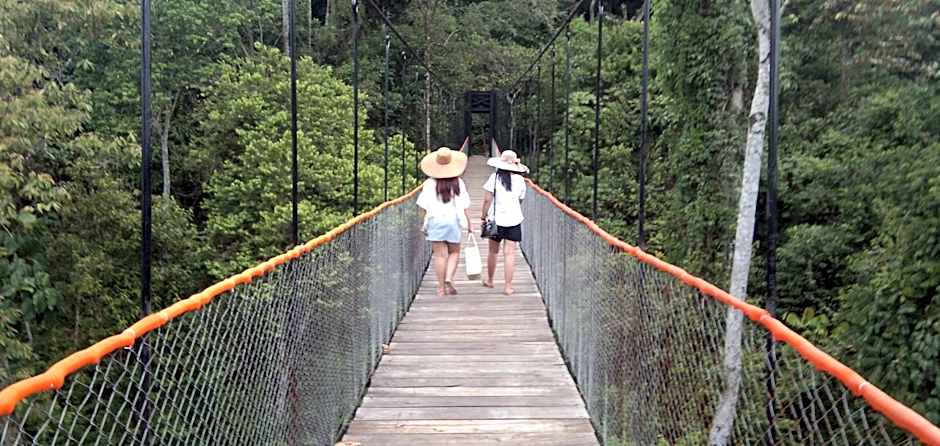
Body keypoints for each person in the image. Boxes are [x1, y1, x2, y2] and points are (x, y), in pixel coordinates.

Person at [416, 147, 473, 296]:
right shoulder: (458, 183)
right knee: (454, 252)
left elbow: (422, 206)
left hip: (435, 221)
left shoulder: (429, 183)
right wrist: (470, 224)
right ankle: (449, 278)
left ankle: (440, 288)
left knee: (440, 255)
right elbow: (465, 205)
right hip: (453, 220)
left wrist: (423, 222)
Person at [480, 150, 528, 296]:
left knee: (493, 252)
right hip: (514, 220)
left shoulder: (494, 178)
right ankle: (508, 287)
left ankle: (490, 280)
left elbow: (487, 199)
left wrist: (483, 216)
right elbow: (520, 199)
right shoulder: (520, 180)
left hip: (496, 220)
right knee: (510, 254)